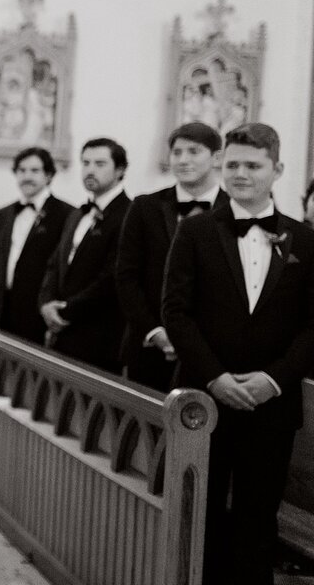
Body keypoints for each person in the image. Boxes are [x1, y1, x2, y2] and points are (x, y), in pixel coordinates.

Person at [163, 123, 314, 585]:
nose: (241, 173)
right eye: (233, 165)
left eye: (253, 165)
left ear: (278, 169)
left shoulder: (305, 240)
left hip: (272, 402)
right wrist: (215, 378)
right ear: (220, 166)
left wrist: (274, 379)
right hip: (202, 402)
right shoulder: (195, 231)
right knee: (197, 514)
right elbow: (176, 312)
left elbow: (313, 325)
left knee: (257, 517)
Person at [116, 122, 227, 392]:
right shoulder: (145, 207)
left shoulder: (233, 210)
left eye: (193, 151)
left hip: (216, 353)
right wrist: (155, 333)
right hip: (150, 346)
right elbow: (126, 276)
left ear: (216, 157)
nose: (183, 160)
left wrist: (197, 342)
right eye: (176, 152)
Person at [39, 137, 131, 373]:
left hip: (99, 335)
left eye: (100, 164)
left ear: (120, 170)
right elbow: (54, 264)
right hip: (62, 331)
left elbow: (111, 277)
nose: (90, 170)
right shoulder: (77, 214)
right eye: (86, 163)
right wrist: (46, 304)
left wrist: (65, 310)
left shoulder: (129, 215)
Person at [0, 147, 73, 344]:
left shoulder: (66, 214)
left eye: (35, 171)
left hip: (38, 314)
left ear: (49, 175)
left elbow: (63, 270)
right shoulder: (5, 213)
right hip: (4, 311)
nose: (27, 176)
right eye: (22, 170)